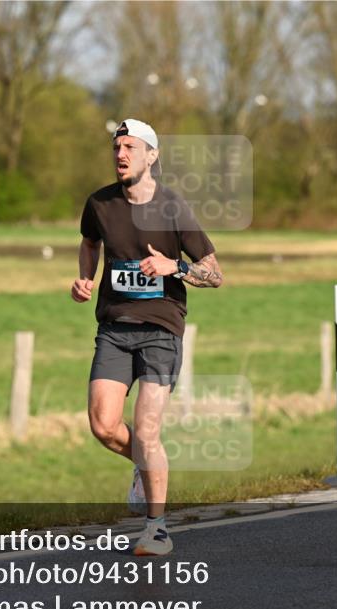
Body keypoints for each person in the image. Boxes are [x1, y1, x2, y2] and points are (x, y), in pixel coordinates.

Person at [71, 119, 223, 556]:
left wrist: (174, 267)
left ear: (151, 156)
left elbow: (215, 275)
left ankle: (156, 528)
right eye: (117, 147)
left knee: (150, 429)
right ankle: (144, 465)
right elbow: (88, 243)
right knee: (103, 425)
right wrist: (85, 279)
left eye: (130, 147)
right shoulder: (99, 203)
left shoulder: (173, 207)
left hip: (161, 329)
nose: (121, 154)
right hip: (115, 329)